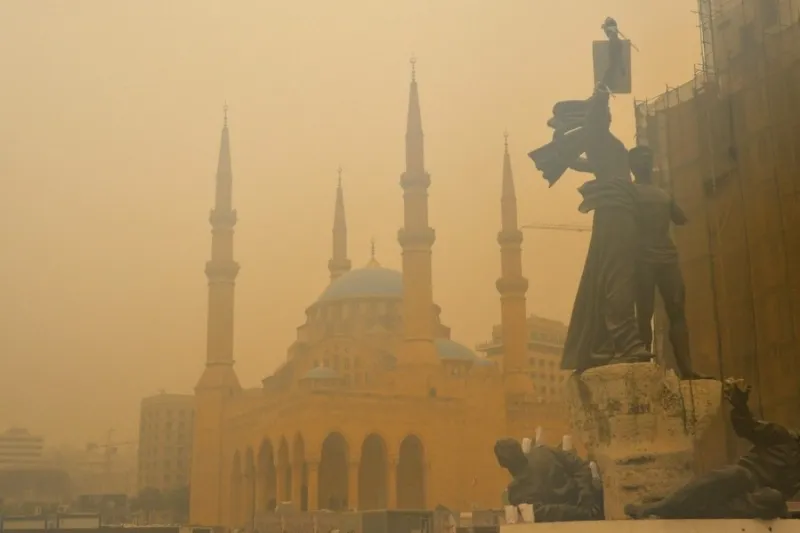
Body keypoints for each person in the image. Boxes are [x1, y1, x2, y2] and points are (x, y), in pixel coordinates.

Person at [529, 23, 651, 371]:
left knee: (613, 272)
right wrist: (613, 43)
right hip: (616, 209)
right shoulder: (598, 129)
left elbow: (589, 165)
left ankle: (615, 341)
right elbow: (606, 83)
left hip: (618, 206)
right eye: (600, 107)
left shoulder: (600, 143)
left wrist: (578, 165)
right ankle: (624, 341)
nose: (606, 107)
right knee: (617, 274)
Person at [625, 379, 800, 519]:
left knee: (773, 499)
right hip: (745, 478)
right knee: (736, 475)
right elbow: (748, 427)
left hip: (760, 497)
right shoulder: (784, 437)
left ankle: (694, 510)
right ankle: (657, 508)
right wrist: (740, 406)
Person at [629, 145, 706, 380]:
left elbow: (681, 217)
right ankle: (644, 366)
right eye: (640, 159)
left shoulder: (663, 194)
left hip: (666, 258)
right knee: (643, 313)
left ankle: (686, 368)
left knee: (676, 312)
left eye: (647, 158)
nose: (645, 162)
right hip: (642, 258)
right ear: (632, 166)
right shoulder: (629, 192)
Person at [495, 438, 603, 522]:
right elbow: (581, 467)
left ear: (501, 463)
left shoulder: (516, 493)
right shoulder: (544, 452)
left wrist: (584, 502)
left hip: (573, 520)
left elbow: (546, 513)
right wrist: (585, 496)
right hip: (591, 510)